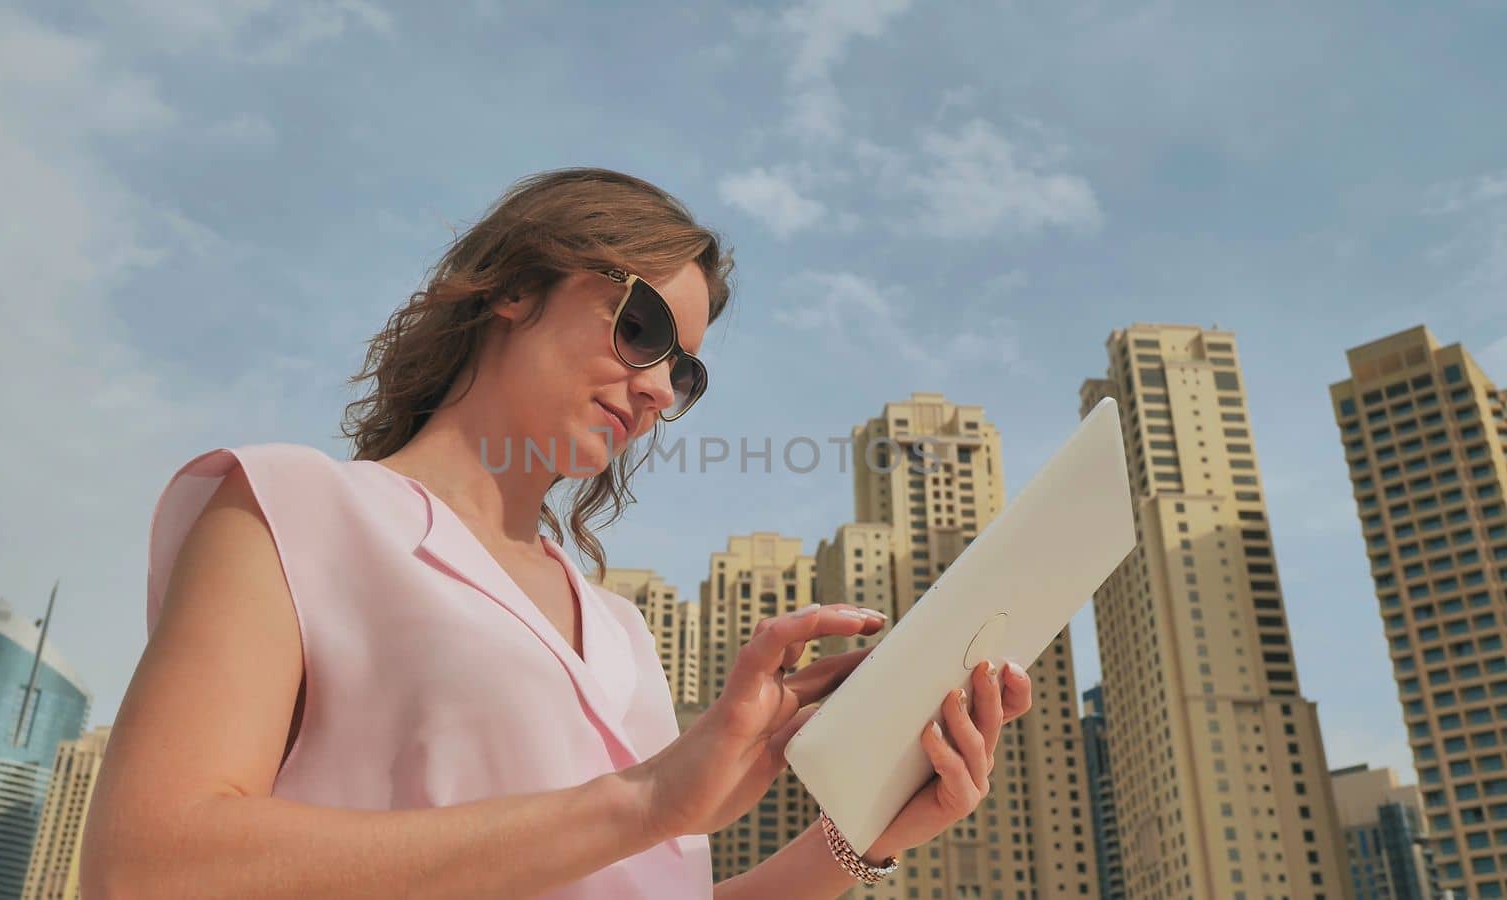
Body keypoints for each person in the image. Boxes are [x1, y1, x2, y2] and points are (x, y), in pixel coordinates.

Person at [80, 167, 1034, 898]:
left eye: (687, 374)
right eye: (644, 326)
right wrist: (647, 799)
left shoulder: (619, 632)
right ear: (514, 287)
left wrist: (859, 834)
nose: (661, 387)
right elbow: (151, 864)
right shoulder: (289, 506)